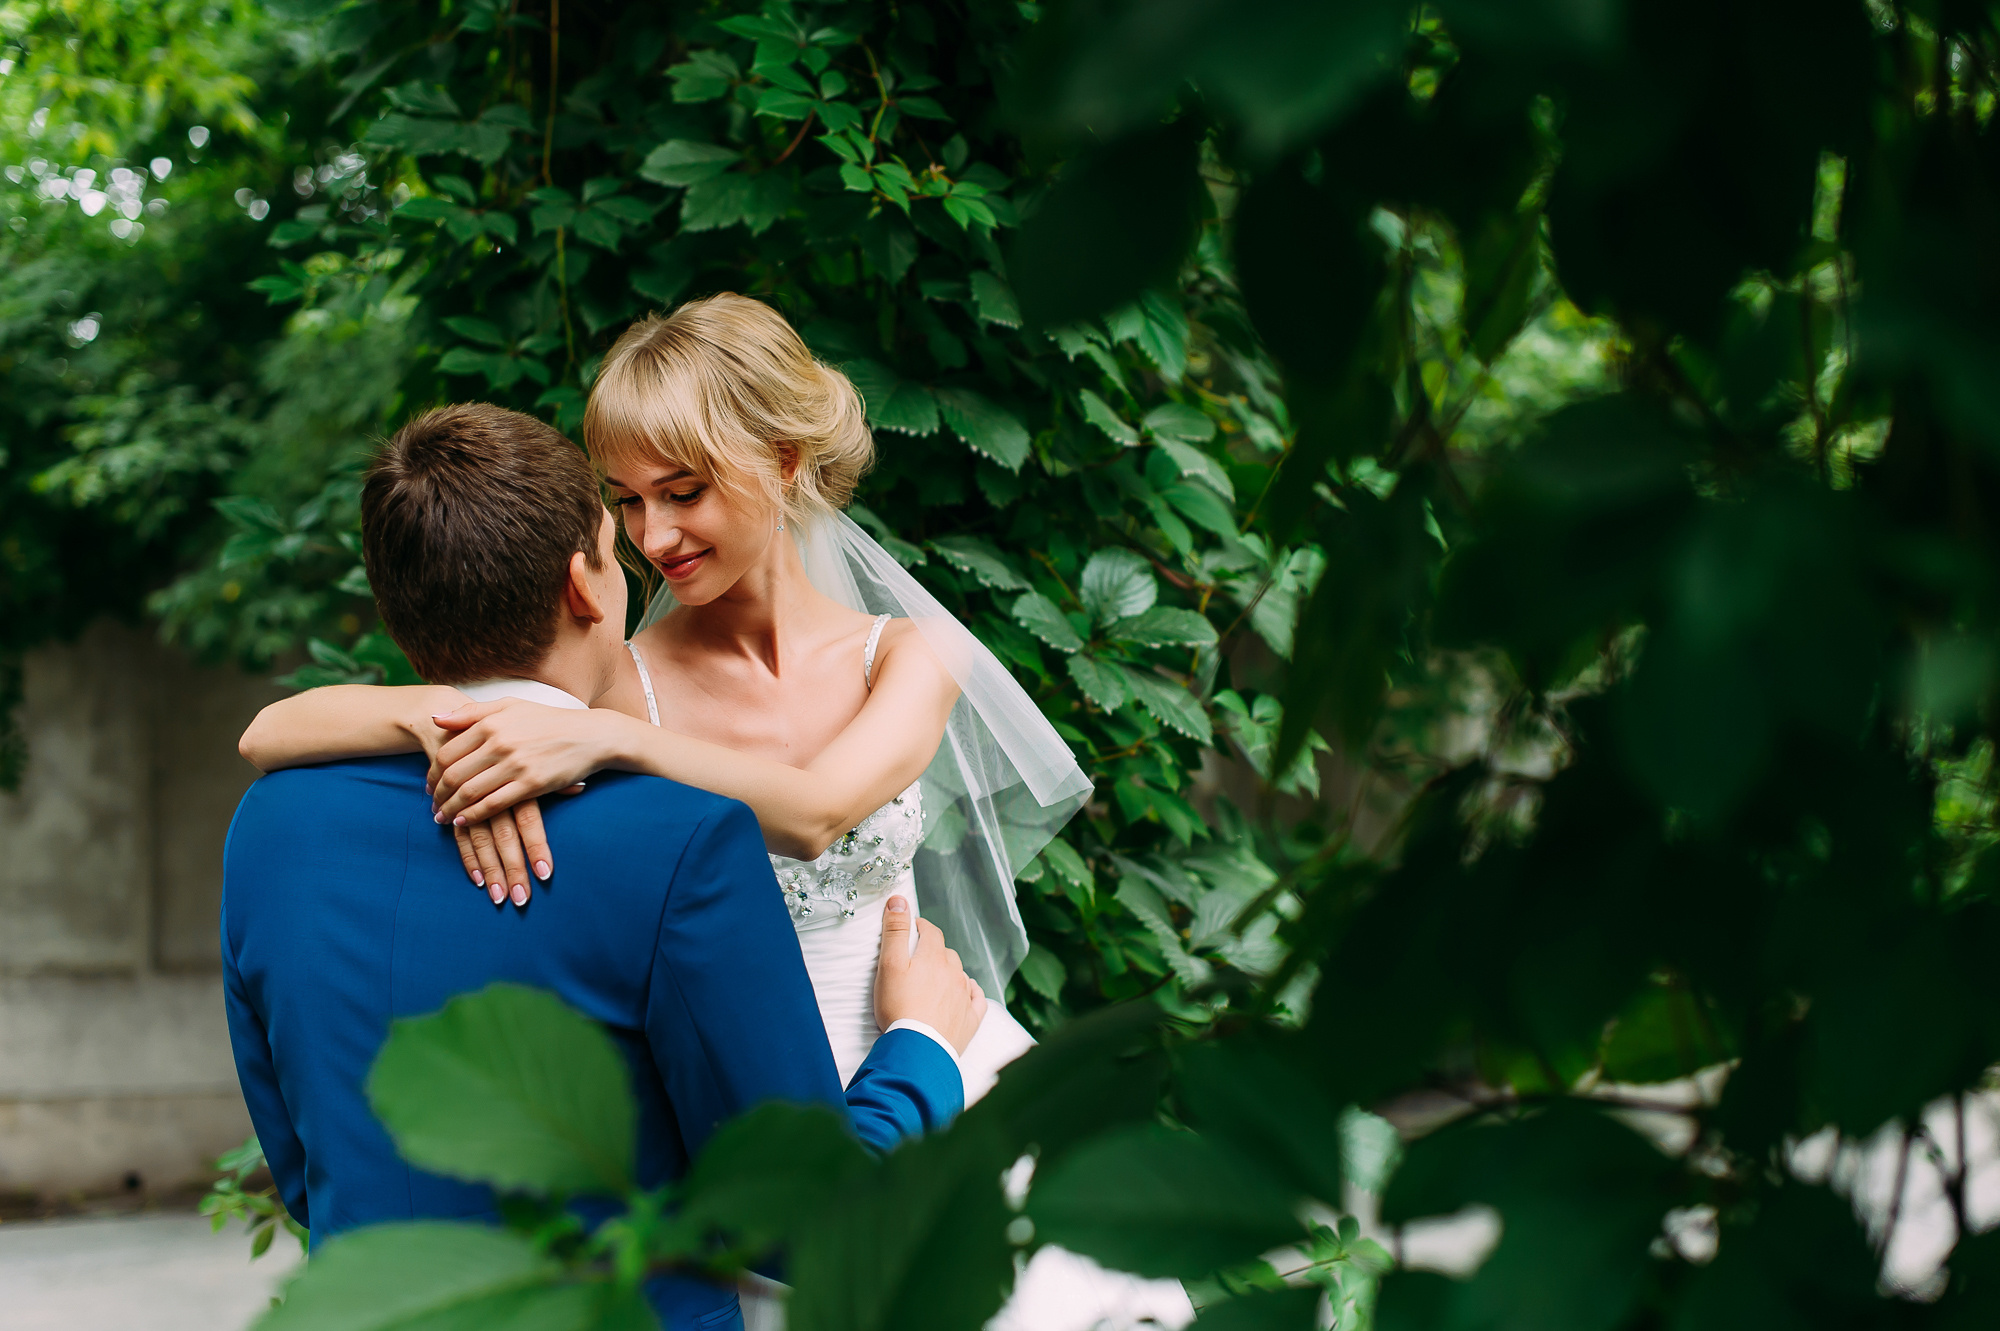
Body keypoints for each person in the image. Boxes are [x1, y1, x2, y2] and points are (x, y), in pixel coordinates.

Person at [221, 402, 986, 1331]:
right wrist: (922, 1048)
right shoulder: (678, 839)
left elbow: (305, 1171)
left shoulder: (268, 828)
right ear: (586, 584)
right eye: (616, 530)